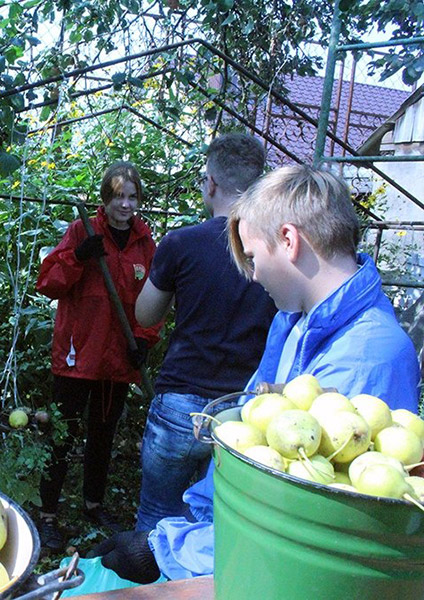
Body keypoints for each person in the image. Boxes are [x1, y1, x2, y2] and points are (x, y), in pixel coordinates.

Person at [90, 164, 421, 584]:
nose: (252, 274)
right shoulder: (295, 323)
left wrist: (165, 549)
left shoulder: (366, 358)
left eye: (252, 257)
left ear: (288, 240)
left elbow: (300, 524)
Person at [134, 133, 276, 532]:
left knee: (155, 520)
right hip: (242, 411)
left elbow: (144, 315)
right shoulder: (272, 252)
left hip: (181, 402)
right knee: (215, 527)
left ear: (210, 183)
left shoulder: (182, 243)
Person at [34, 161, 163, 552]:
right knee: (62, 434)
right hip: (80, 353)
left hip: (118, 358)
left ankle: (93, 503)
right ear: (105, 199)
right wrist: (79, 257)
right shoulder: (82, 231)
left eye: (132, 196)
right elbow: (49, 283)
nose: (125, 204)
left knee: (103, 434)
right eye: (118, 196)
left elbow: (153, 298)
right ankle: (47, 513)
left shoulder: (145, 243)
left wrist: (144, 338)